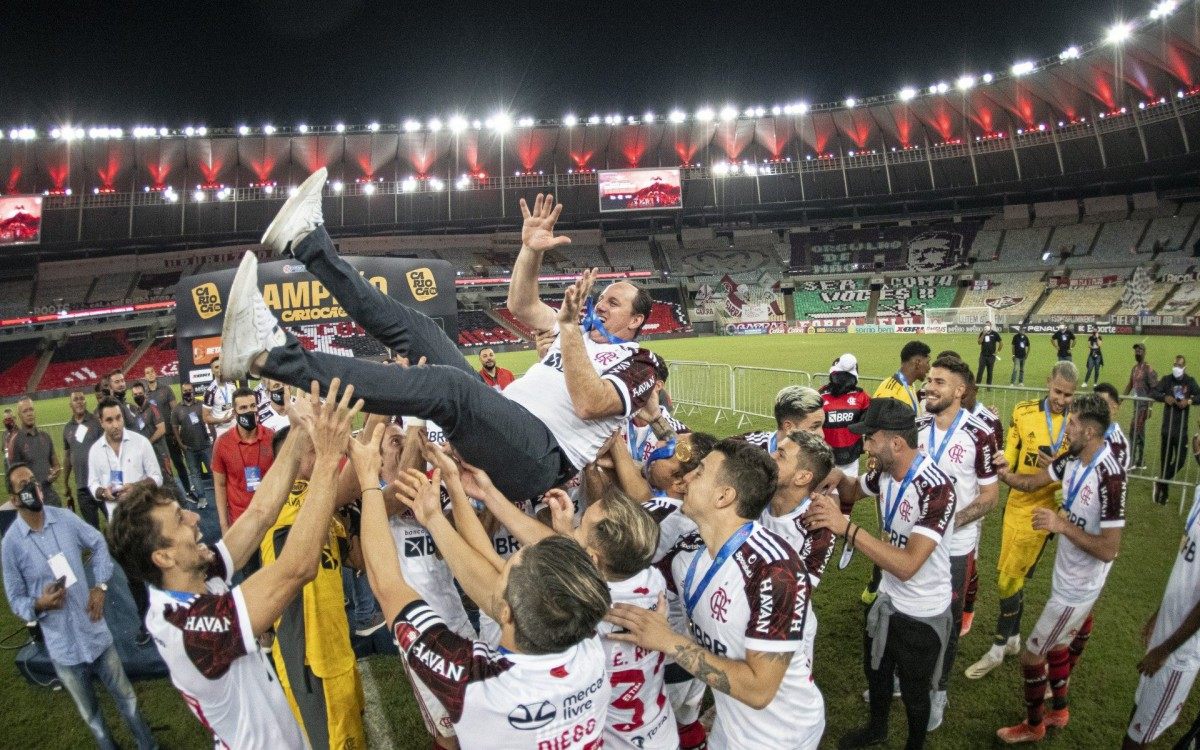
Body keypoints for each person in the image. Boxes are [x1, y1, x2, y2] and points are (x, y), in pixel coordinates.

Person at [219, 174, 661, 501]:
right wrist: (529, 251)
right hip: (506, 420)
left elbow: (588, 403)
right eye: (601, 297)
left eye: (615, 302)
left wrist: (567, 331)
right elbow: (522, 305)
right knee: (420, 332)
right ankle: (308, 243)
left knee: (449, 388)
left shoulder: (643, 362)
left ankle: (271, 356)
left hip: (541, 459)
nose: (601, 305)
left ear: (638, 321)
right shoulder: (578, 333)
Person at [106, 378, 361, 749]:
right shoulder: (191, 628)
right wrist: (325, 459)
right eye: (180, 520)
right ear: (162, 557)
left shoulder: (187, 581)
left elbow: (258, 514)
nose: (195, 520)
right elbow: (297, 566)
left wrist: (301, 430)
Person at [360, 444, 613, 748]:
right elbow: (484, 564)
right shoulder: (587, 647)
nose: (497, 565)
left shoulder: (476, 682)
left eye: (504, 572)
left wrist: (368, 484)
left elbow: (387, 586)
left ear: (505, 612)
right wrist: (446, 496)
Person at [609, 439, 823, 750]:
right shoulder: (689, 557)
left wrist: (667, 639)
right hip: (729, 725)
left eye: (701, 471)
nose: (686, 477)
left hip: (782, 737)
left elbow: (759, 690)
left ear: (724, 496)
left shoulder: (775, 570)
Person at [806, 398, 956, 750]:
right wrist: (839, 476)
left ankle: (914, 745)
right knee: (877, 672)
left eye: (870, 438)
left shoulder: (936, 488)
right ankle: (877, 729)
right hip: (888, 599)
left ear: (896, 443)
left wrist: (846, 528)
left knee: (917, 693)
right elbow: (855, 489)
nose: (865, 445)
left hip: (922, 611)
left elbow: (907, 565)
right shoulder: (885, 470)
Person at [993, 393, 1126, 743]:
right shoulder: (1072, 457)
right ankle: (1060, 710)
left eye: (1072, 423)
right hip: (1065, 576)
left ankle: (1035, 726)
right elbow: (1032, 482)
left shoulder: (1111, 477)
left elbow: (1110, 550)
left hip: (1079, 587)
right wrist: (1004, 474)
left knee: (1032, 654)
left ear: (1091, 431)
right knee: (1055, 645)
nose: (1066, 427)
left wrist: (1061, 525)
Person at [2, 463, 158, 750]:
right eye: (23, 485)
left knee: (128, 700)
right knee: (92, 717)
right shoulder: (10, 545)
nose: (32, 488)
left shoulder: (64, 519)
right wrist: (39, 604)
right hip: (63, 649)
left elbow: (98, 542)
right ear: (13, 499)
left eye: (33, 481)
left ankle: (149, 746)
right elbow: (16, 601)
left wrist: (100, 586)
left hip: (94, 632)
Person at [966, 362, 1077, 680]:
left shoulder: (1077, 424)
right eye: (1057, 392)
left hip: (1044, 510)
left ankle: (998, 648)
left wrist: (1058, 467)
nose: (1061, 400)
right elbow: (1011, 457)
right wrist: (1002, 463)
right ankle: (1013, 639)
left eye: (1068, 395)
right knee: (1008, 575)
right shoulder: (1024, 412)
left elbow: (1080, 475)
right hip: (1015, 503)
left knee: (1007, 580)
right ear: (1048, 384)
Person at [258, 426, 365, 750]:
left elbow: (356, 560)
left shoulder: (322, 510)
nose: (322, 456)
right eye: (313, 450)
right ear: (287, 462)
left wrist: (356, 519)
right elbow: (352, 483)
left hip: (335, 648)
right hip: (309, 661)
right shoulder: (283, 508)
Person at [916, 356, 1000, 731]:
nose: (929, 387)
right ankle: (908, 679)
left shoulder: (981, 434)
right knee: (910, 614)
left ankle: (938, 691)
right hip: (914, 543)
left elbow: (989, 496)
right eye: (929, 380)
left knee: (944, 625)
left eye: (938, 382)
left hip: (954, 547)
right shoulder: (917, 425)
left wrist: (948, 524)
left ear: (959, 391)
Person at [639, 431, 718, 750]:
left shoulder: (665, 514)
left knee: (655, 726)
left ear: (684, 476)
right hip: (704, 641)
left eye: (669, 448)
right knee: (688, 718)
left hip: (666, 647)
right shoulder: (716, 511)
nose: (659, 447)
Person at [1124, 451, 1200, 748]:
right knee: (1136, 717)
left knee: (1136, 739)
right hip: (1165, 633)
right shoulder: (1198, 492)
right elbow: (1187, 568)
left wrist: (1166, 649)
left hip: (1179, 653)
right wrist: (1160, 613)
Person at [87, 397, 163, 644]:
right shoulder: (95, 451)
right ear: (101, 422)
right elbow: (92, 484)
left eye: (118, 418)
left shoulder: (140, 443)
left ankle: (169, 617)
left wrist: (136, 488)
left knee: (158, 570)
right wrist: (103, 493)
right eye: (109, 420)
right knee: (134, 579)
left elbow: (156, 477)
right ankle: (145, 621)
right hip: (120, 528)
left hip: (146, 522)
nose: (115, 424)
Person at [211, 386, 276, 534]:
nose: (249, 411)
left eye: (253, 406)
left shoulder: (271, 437)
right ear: (235, 413)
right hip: (240, 521)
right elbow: (220, 485)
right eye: (243, 407)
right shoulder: (222, 443)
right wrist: (224, 525)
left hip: (270, 518)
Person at [1151, 355, 1198, 505]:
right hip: (1167, 429)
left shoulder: (1189, 381)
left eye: (1179, 365)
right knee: (1165, 462)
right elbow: (1154, 392)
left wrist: (1189, 401)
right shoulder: (1166, 379)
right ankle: (1163, 496)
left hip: (1181, 430)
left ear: (1184, 368)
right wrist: (1164, 397)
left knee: (1180, 461)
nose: (1176, 368)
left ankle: (1160, 482)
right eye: (1175, 365)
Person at [820, 353, 871, 477]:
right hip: (825, 459)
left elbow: (870, 423)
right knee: (824, 494)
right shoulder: (820, 395)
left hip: (851, 459)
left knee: (847, 494)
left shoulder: (862, 396)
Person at [142, 365, 189, 496]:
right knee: (164, 468)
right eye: (147, 372)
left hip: (169, 435)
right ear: (145, 376)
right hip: (158, 439)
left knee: (178, 463)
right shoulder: (145, 395)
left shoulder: (166, 389)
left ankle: (188, 490)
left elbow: (175, 410)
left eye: (151, 371)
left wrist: (176, 432)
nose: (150, 374)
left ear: (155, 373)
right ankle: (172, 495)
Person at [10, 396, 64, 508]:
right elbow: (14, 476)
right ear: (19, 415)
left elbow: (56, 465)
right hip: (31, 499)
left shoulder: (45, 437)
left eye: (31, 409)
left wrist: (54, 473)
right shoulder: (16, 441)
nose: (29, 413)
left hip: (50, 495)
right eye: (25, 411)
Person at [63, 391, 105, 528]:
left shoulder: (96, 422)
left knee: (115, 520)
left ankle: (118, 548)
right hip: (82, 488)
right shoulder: (67, 428)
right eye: (76, 399)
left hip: (101, 484)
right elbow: (68, 456)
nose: (80, 401)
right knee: (92, 528)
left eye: (82, 398)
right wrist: (65, 482)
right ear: (70, 404)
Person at [743, 385, 826, 451]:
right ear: (788, 427)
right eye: (814, 427)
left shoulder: (818, 460)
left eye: (822, 426)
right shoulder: (748, 449)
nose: (822, 435)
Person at [170, 383, 211, 508]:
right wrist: (181, 444)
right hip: (189, 449)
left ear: (193, 391)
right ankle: (202, 498)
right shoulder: (177, 409)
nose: (187, 392)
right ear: (181, 392)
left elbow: (209, 420)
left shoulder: (201, 405)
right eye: (185, 390)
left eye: (189, 390)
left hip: (205, 445)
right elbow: (175, 428)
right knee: (194, 474)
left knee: (214, 471)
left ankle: (223, 496)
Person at [874, 341, 932, 415]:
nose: (929, 367)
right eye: (927, 362)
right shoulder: (890, 393)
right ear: (917, 363)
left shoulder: (910, 385)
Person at [1124, 343, 1157, 470]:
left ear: (1144, 352)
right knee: (1140, 433)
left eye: (1139, 350)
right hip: (1136, 405)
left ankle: (1131, 462)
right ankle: (1141, 461)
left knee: (1133, 432)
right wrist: (1120, 399)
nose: (1137, 352)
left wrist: (1150, 407)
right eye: (1136, 350)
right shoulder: (1135, 368)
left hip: (1143, 406)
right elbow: (1130, 385)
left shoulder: (1148, 369)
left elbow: (1154, 388)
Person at [1094, 383, 1131, 470]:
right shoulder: (1087, 430)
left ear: (1115, 408)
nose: (1096, 409)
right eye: (1094, 404)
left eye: (1102, 404)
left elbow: (1115, 477)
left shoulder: (1118, 444)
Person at [202, 357, 236, 439]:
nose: (220, 369)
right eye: (216, 367)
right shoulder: (210, 392)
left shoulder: (232, 385)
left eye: (221, 366)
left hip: (236, 426)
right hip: (221, 430)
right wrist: (223, 420)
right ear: (212, 371)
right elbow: (205, 418)